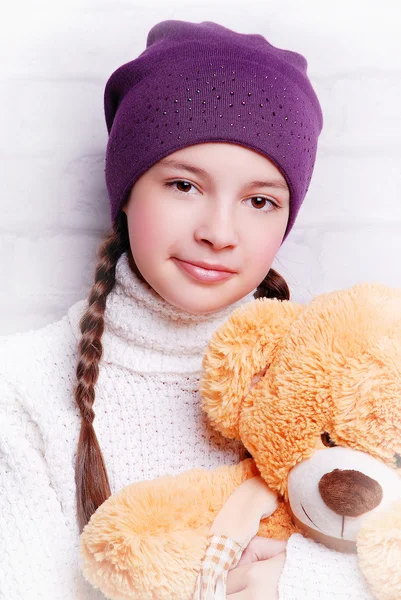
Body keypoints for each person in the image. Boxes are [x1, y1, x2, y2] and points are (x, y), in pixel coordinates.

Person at [0, 18, 374, 600]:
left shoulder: (339, 375)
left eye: (259, 200)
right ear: (125, 190)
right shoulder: (23, 382)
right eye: (184, 186)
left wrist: (295, 582)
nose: (219, 232)